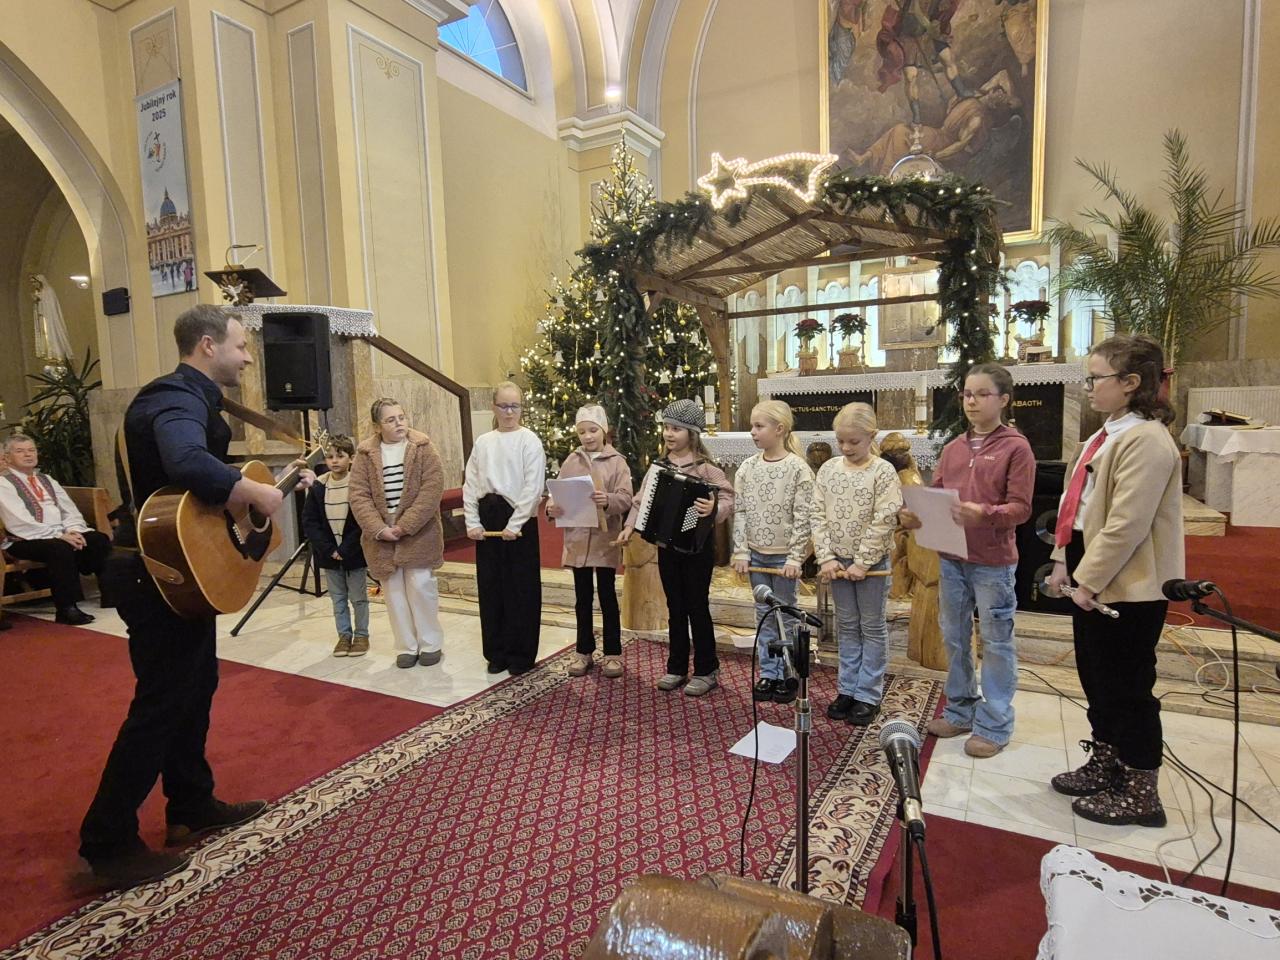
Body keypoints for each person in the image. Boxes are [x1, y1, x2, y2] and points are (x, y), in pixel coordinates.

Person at [80, 304, 309, 888]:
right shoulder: (174, 397)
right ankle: (107, 842)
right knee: (160, 704)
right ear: (208, 345)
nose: (248, 357)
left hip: (180, 570)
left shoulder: (194, 399)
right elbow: (184, 460)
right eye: (240, 345)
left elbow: (197, 481)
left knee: (194, 687)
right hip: (154, 573)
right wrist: (252, 490)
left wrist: (269, 486)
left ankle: (190, 803)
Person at [1046, 335, 1183, 827]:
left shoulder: (1147, 439)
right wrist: (1062, 560)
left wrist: (1088, 581)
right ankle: (1106, 761)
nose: (1088, 387)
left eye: (1095, 377)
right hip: (1091, 564)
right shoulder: (1104, 434)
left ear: (1130, 383)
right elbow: (1074, 506)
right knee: (1096, 676)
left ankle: (1141, 789)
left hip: (1129, 580)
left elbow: (1127, 524)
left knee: (1128, 684)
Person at [901, 363, 1034, 758]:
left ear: (1004, 399)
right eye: (967, 394)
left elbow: (1022, 508)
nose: (971, 401)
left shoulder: (1016, 447)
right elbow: (938, 497)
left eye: (981, 394)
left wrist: (984, 514)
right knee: (955, 637)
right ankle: (960, 709)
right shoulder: (954, 448)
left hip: (992, 560)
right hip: (952, 556)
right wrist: (915, 515)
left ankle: (995, 724)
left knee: (995, 641)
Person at [620, 399, 734, 697]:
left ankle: (707, 669)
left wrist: (713, 508)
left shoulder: (706, 469)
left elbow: (728, 499)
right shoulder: (659, 467)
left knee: (697, 606)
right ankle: (677, 666)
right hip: (667, 546)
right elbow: (641, 500)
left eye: (676, 429)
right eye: (666, 428)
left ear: (692, 433)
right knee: (675, 606)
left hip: (697, 549)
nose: (669, 434)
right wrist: (630, 526)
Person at [812, 402, 901, 726]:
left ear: (871, 436)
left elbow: (885, 518)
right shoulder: (829, 469)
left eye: (854, 441)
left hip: (871, 564)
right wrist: (826, 557)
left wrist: (862, 562)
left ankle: (868, 694)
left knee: (872, 626)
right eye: (841, 441)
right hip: (837, 562)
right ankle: (847, 689)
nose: (846, 448)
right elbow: (817, 513)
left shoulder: (883, 471)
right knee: (846, 625)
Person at [349, 399, 446, 669]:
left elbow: (432, 488)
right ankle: (406, 646)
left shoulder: (422, 447)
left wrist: (406, 525)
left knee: (421, 587)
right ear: (377, 426)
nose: (399, 423)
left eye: (401, 417)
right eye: (390, 420)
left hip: (418, 531)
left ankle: (430, 643)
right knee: (393, 593)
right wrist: (379, 528)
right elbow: (358, 494)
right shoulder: (365, 454)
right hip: (382, 533)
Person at [730, 400, 814, 704]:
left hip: (783, 557)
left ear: (779, 429)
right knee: (764, 615)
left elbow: (804, 516)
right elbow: (740, 512)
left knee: (786, 616)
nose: (752, 432)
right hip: (757, 555)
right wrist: (741, 551)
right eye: (752, 426)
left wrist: (795, 557)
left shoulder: (798, 469)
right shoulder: (747, 468)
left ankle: (788, 672)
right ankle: (769, 672)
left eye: (759, 426)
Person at [462, 382, 546, 676]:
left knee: (520, 588)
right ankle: (496, 651)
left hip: (518, 520)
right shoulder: (484, 441)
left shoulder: (529, 441)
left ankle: (521, 653)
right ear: (494, 407)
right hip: (488, 516)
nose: (509, 412)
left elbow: (533, 487)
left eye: (515, 406)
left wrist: (515, 523)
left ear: (522, 408)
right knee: (492, 587)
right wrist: (472, 521)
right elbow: (471, 483)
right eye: (504, 406)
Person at [545, 404, 633, 679]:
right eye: (582, 431)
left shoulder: (617, 462)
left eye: (593, 430)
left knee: (607, 596)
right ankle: (583, 650)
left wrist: (608, 500)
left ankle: (613, 653)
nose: (587, 436)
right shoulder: (571, 460)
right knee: (582, 599)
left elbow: (626, 498)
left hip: (603, 539)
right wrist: (551, 507)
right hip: (577, 538)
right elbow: (557, 493)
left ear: (604, 431)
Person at [0, 434, 112, 624]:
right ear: (7, 457)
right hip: (22, 539)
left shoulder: (46, 479)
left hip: (59, 534)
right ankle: (67, 608)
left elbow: (68, 509)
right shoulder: (4, 483)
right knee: (58, 548)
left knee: (98, 539)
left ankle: (110, 594)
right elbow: (19, 522)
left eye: (31, 450)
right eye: (20, 451)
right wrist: (59, 535)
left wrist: (73, 530)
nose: (28, 455)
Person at [301, 435, 370, 657]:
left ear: (351, 458)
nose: (334, 461)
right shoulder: (319, 486)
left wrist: (345, 549)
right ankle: (344, 636)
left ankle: (361, 635)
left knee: (358, 598)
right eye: (330, 457)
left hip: (354, 554)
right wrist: (329, 549)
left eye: (340, 456)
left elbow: (362, 520)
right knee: (338, 599)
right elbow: (310, 521)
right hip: (329, 555)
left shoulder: (358, 485)